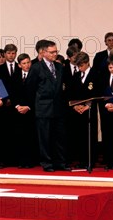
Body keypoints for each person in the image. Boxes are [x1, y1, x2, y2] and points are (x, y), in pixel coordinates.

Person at [26, 40, 70, 172]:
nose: (54, 54)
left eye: (56, 51)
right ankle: (47, 163)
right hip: (43, 108)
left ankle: (60, 162)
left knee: (59, 137)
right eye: (51, 52)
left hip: (58, 107)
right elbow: (30, 87)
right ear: (43, 52)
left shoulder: (59, 67)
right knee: (45, 137)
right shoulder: (36, 67)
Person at [67, 51, 102, 168]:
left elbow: (98, 93)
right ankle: (81, 160)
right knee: (79, 136)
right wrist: (75, 106)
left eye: (81, 65)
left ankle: (90, 160)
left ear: (87, 63)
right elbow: (71, 93)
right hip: (77, 111)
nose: (79, 68)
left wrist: (88, 105)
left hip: (89, 111)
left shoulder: (96, 74)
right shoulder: (76, 76)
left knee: (90, 135)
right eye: (77, 66)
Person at [12, 53, 37, 168]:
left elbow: (37, 94)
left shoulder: (35, 75)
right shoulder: (15, 76)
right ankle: (21, 161)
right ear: (19, 65)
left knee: (31, 136)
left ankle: (31, 161)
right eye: (24, 63)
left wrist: (28, 106)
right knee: (19, 136)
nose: (27, 65)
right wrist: (17, 106)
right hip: (18, 112)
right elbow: (13, 94)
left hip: (31, 111)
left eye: (28, 62)